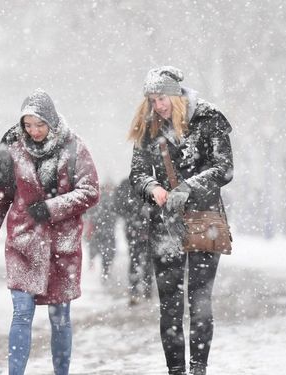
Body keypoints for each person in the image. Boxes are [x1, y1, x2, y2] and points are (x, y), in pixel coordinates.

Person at [0, 89, 100, 375]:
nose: (34, 131)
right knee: (21, 313)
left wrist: (52, 207)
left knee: (60, 318)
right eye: (28, 125)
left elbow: (91, 191)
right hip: (24, 243)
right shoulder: (11, 146)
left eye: (40, 124)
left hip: (61, 247)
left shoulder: (73, 147)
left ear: (52, 121)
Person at [128, 66, 233, 375]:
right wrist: (153, 188)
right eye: (152, 100)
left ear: (176, 95)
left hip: (206, 219)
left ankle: (198, 368)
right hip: (166, 223)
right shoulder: (148, 128)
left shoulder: (208, 118)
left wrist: (188, 188)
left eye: (162, 98)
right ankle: (175, 369)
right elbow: (136, 173)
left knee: (200, 300)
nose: (158, 106)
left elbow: (225, 169)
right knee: (170, 305)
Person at [113, 177, 154, 305]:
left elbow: (117, 205)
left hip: (141, 228)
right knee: (141, 258)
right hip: (138, 228)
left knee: (140, 258)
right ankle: (141, 289)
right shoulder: (148, 183)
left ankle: (140, 290)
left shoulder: (128, 184)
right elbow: (118, 205)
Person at [84, 181, 118, 280]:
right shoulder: (111, 200)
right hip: (103, 230)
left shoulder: (99, 199)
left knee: (100, 251)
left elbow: (89, 213)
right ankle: (104, 272)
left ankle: (102, 271)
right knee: (106, 253)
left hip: (101, 230)